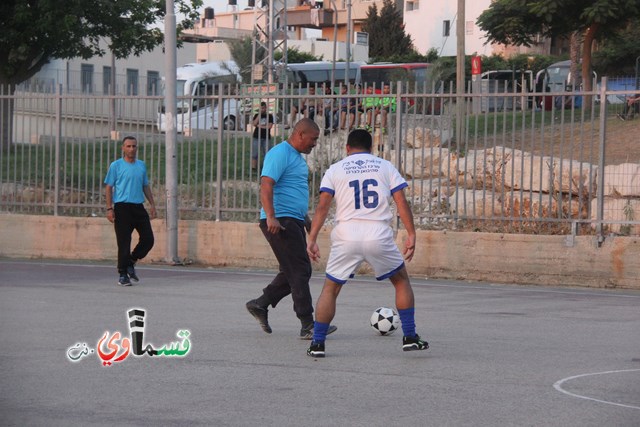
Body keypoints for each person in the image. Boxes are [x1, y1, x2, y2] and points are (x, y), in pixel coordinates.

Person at [305, 129, 429, 357]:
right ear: (371, 148)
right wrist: (411, 233)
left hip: (346, 235)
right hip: (377, 234)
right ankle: (410, 337)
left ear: (347, 148)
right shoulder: (385, 166)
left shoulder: (335, 169)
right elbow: (401, 201)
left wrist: (311, 238)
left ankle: (317, 344)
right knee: (401, 282)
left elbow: (322, 207)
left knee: (330, 289)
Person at [246, 118, 337, 339]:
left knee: (295, 270)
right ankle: (307, 324)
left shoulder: (296, 158)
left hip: (292, 219)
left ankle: (261, 304)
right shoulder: (280, 153)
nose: (315, 144)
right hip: (280, 221)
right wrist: (271, 217)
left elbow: (293, 194)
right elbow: (266, 185)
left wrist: (306, 224)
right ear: (299, 135)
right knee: (299, 270)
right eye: (313, 139)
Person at [104, 136, 157, 286]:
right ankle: (122, 274)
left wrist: (152, 204)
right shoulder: (116, 166)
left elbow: (145, 186)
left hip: (138, 207)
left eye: (134, 146)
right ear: (123, 148)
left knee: (148, 239)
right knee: (124, 242)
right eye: (128, 146)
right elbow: (108, 187)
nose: (131, 149)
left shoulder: (141, 165)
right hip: (122, 207)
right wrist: (109, 208)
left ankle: (131, 262)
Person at [251, 101, 275, 171]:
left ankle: (266, 168)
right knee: (254, 153)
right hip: (256, 137)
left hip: (266, 137)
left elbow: (269, 126)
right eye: (261, 108)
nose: (262, 109)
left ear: (266, 108)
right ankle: (253, 167)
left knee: (267, 153)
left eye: (264, 108)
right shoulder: (256, 115)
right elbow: (254, 123)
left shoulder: (270, 116)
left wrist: (259, 126)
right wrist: (259, 115)